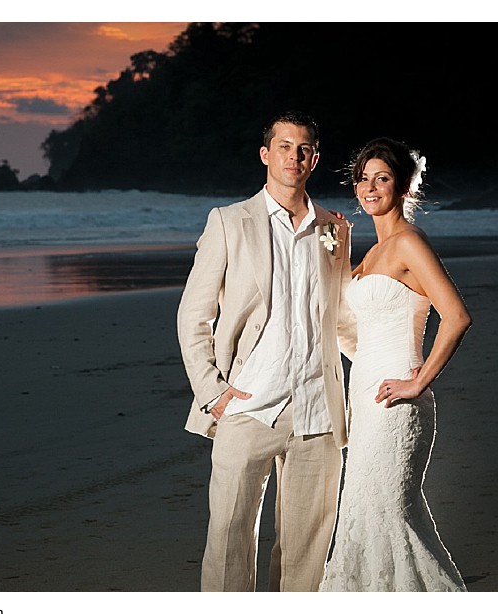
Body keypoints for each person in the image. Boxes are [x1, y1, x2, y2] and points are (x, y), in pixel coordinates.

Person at [176, 110, 356, 591]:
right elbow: (192, 316)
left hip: (318, 409)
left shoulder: (334, 229)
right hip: (248, 405)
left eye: (303, 149)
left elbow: (341, 318)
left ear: (314, 159)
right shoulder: (229, 222)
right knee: (230, 539)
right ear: (265, 154)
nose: (293, 156)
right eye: (284, 146)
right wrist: (212, 392)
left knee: (307, 549)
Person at [319, 137, 470, 591]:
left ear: (403, 187)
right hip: (363, 395)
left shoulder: (408, 244)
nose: (369, 187)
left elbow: (457, 316)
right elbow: (352, 332)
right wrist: (335, 253)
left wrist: (418, 381)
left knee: (388, 510)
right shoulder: (370, 255)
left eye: (381, 178)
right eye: (363, 178)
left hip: (397, 399)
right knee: (365, 510)